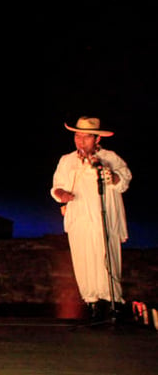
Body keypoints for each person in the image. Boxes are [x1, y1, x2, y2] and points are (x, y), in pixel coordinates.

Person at [51, 116, 132, 323]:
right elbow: (57, 186)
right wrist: (62, 195)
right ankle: (92, 302)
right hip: (80, 217)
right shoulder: (67, 160)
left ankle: (113, 302)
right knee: (83, 258)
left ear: (96, 138)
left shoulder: (110, 158)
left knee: (107, 256)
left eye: (86, 137)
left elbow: (124, 179)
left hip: (103, 217)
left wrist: (112, 177)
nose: (81, 141)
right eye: (78, 136)